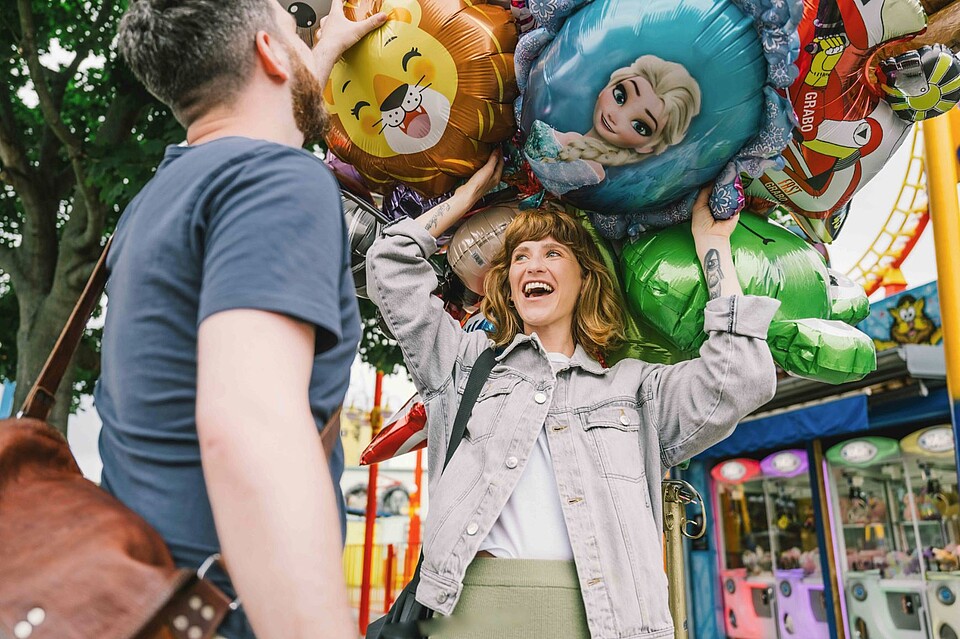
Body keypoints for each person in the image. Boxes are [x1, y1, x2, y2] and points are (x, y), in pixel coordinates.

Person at [366, 151, 780, 638]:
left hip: (606, 621)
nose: (531, 265)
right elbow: (390, 265)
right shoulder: (461, 365)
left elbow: (740, 377)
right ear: (509, 283)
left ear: (585, 279)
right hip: (467, 615)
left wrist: (712, 245)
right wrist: (466, 198)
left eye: (552, 253)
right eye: (520, 256)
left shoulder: (636, 389)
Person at [96, 1, 386, 637]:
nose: (310, 39)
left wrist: (319, 51)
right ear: (269, 51)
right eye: (296, 26)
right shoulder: (276, 181)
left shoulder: (156, 199)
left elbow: (273, 121)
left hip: (141, 601)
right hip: (225, 615)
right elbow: (248, 426)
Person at [524, 55, 701, 195]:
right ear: (605, 89)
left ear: (648, 147)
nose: (615, 116)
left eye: (639, 125)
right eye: (620, 96)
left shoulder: (596, 174)